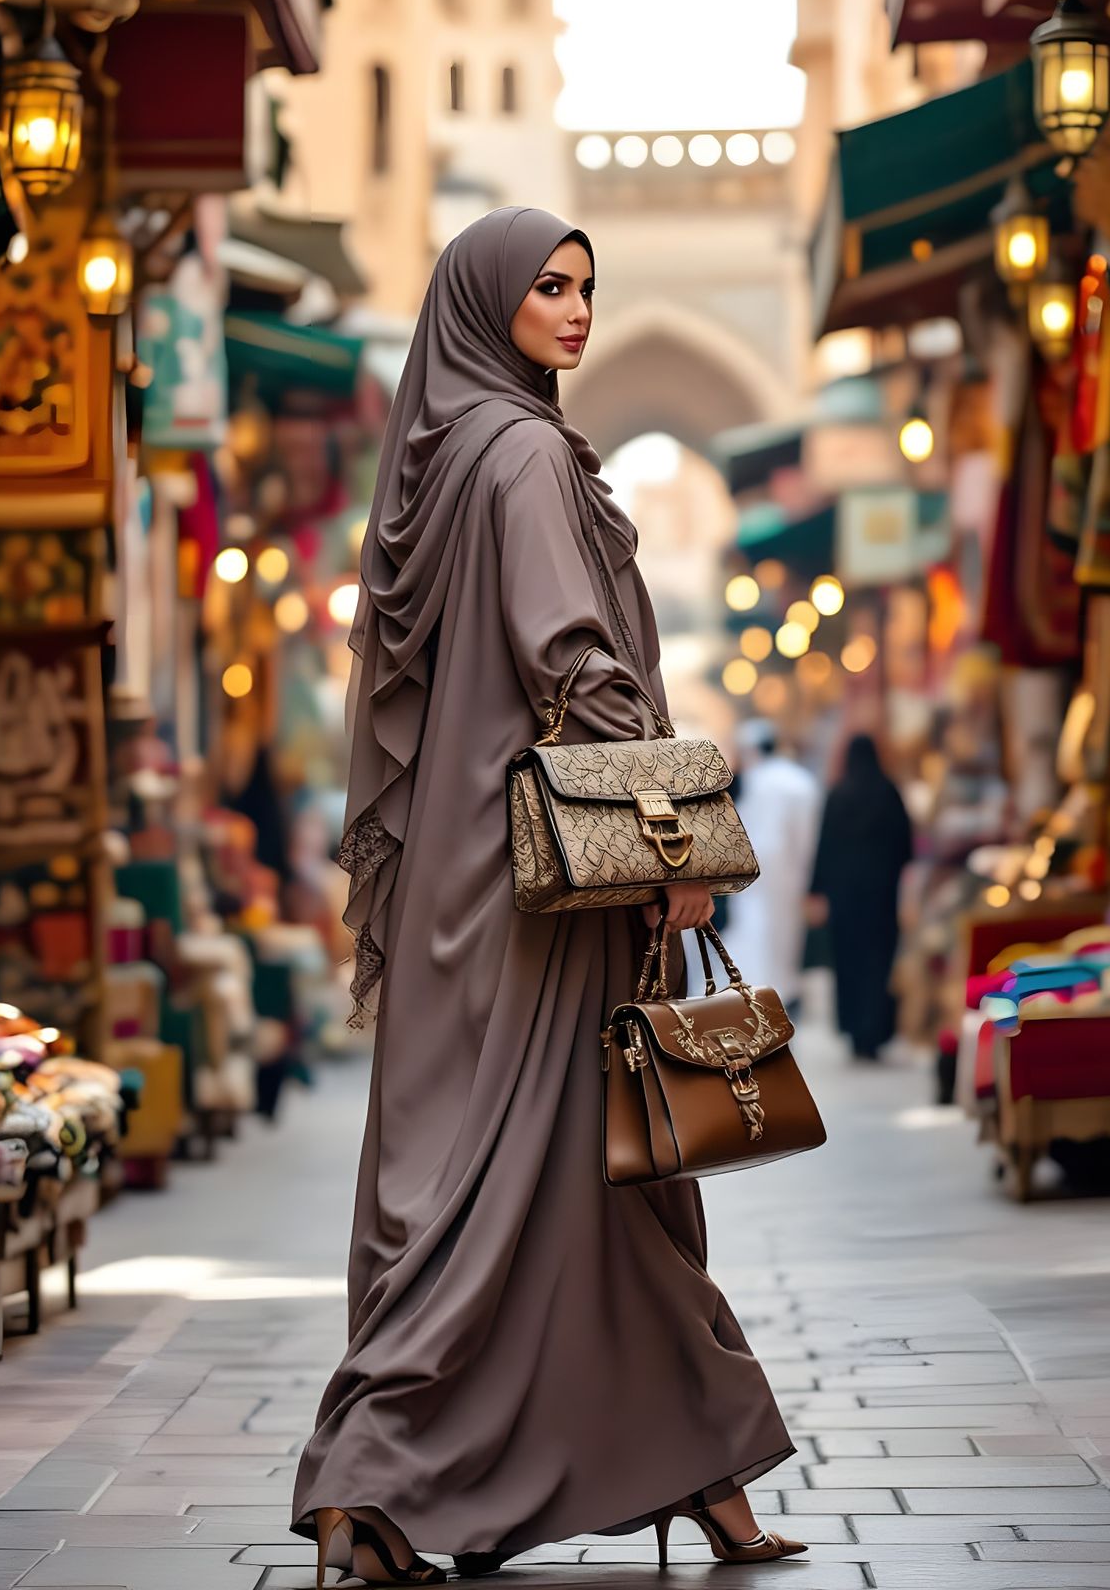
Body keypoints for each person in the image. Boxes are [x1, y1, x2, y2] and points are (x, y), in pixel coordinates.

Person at [291, 208, 801, 1587]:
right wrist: (671, 836)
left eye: (586, 287)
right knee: (522, 1178)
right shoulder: (520, 452)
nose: (576, 310)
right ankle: (369, 1479)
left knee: (553, 1173)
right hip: (542, 892)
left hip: (467, 877)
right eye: (549, 288)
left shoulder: (443, 451)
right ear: (486, 303)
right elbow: (570, 655)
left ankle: (699, 1472)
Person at [810, 734, 914, 1061]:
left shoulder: (838, 795)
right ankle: (875, 1032)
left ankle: (855, 1031)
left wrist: (817, 890)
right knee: (877, 961)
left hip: (844, 899)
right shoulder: (888, 792)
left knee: (849, 962)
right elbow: (906, 845)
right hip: (881, 897)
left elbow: (824, 845)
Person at [719, 719, 822, 1009]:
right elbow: (809, 836)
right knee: (783, 936)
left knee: (755, 932)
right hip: (789, 870)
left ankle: (755, 996)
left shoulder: (751, 780)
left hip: (754, 869)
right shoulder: (800, 781)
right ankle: (779, 994)